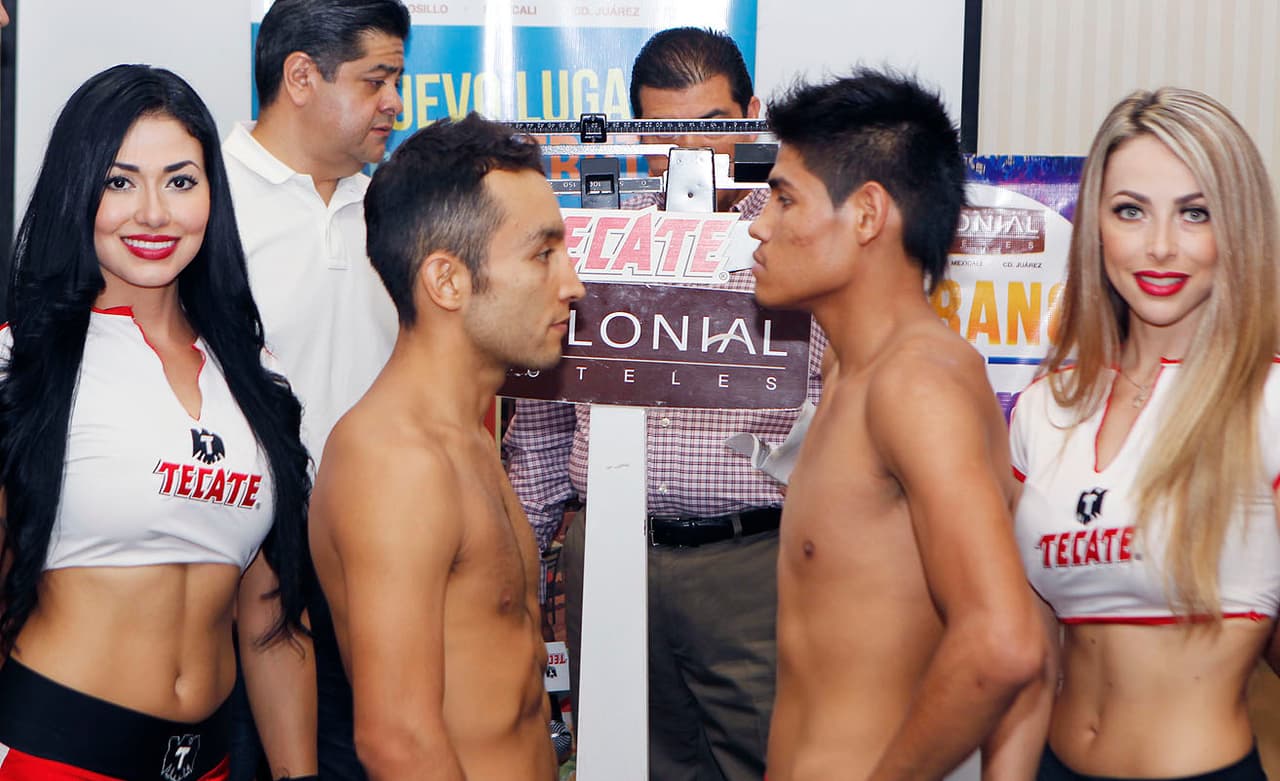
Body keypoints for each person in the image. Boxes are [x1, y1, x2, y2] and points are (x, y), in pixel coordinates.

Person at [502, 26, 825, 781]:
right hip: (608, 550)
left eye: (715, 132)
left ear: (752, 112)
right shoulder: (597, 237)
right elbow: (546, 419)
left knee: (773, 759)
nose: (696, 159)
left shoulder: (800, 238)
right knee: (623, 762)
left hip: (755, 560)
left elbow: (841, 407)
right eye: (666, 137)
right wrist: (519, 567)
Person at [0, 64, 313, 780]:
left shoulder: (256, 377)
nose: (152, 213)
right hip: (54, 753)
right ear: (77, 192)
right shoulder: (23, 363)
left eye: (180, 180)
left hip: (208, 759)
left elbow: (270, 614)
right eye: (119, 181)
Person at [748, 70, 1045, 780]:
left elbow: (1007, 643)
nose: (759, 223)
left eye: (785, 197)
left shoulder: (915, 383)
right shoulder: (850, 374)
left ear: (868, 214)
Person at [993, 88, 1280, 780]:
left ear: (1237, 226)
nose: (1159, 245)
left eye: (1195, 213)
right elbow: (1029, 657)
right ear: (1095, 223)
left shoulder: (1267, 402)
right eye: (1130, 210)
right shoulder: (1045, 407)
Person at [308, 113, 584, 779]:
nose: (572, 283)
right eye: (542, 254)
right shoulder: (395, 461)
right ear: (447, 281)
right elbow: (397, 739)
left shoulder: (466, 436)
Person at [221, 1, 409, 776]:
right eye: (377, 79)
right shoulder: (201, 202)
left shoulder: (397, 212)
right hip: (227, 579)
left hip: (369, 575)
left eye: (396, 79)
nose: (395, 102)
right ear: (300, 75)